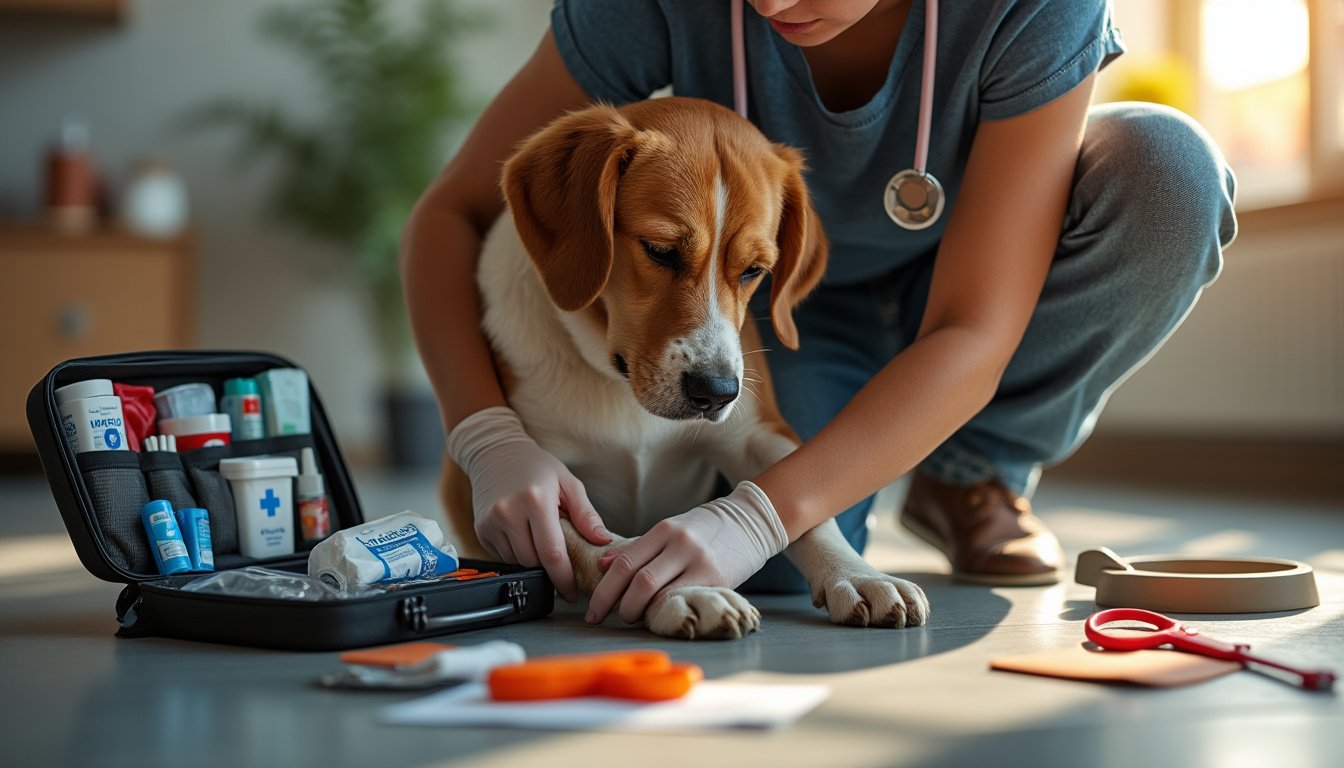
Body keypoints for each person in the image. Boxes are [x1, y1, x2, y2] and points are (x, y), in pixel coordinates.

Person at [400, 0, 1237, 626]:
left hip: (964, 294)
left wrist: (759, 511)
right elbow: (452, 214)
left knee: (1167, 168)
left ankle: (973, 473)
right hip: (791, 310)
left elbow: (972, 329)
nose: (769, 2)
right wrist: (487, 437)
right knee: (759, 581)